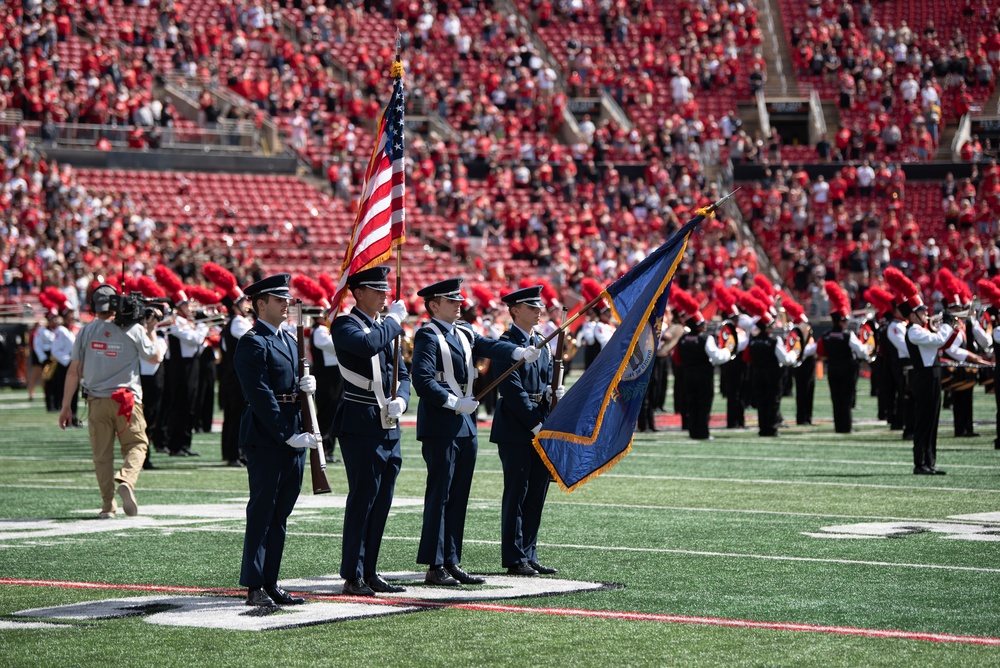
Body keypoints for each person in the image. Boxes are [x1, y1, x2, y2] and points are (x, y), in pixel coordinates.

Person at [411, 278, 529, 586]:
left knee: (459, 494)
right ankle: (435, 564)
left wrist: (516, 352)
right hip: (441, 421)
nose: (458, 304)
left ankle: (451, 559)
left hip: (465, 423)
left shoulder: (463, 331)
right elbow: (422, 380)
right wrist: (452, 402)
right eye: (450, 301)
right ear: (434, 305)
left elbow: (488, 345)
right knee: (440, 493)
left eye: (458, 300)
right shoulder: (427, 335)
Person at [233, 273, 319, 607]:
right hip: (268, 437)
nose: (286, 304)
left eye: (286, 299)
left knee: (280, 513)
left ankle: (271, 580)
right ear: (260, 304)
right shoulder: (252, 341)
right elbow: (261, 396)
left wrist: (307, 387)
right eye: (278, 299)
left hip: (294, 431)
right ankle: (254, 585)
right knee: (262, 511)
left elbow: (288, 386)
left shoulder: (287, 339)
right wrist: (287, 435)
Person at [330, 266, 411, 596]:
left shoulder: (384, 328)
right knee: (363, 499)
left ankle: (372, 569)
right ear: (358, 293)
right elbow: (365, 347)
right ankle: (353, 573)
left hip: (388, 426)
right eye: (377, 290)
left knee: (382, 501)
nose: (385, 295)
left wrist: (402, 402)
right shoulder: (344, 325)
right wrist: (393, 322)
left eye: (385, 290)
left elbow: (402, 375)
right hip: (361, 422)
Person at [57, 284, 162, 518]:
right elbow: (155, 357)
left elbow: (74, 372)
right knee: (137, 445)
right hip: (126, 401)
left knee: (102, 456)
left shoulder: (85, 331)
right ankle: (126, 479)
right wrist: (151, 329)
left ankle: (107, 505)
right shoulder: (134, 329)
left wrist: (66, 406)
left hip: (96, 400)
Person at [488, 285, 555, 576]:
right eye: (531, 307)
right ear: (515, 311)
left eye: (538, 306)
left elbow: (548, 378)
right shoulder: (505, 344)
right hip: (517, 425)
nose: (538, 310)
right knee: (518, 491)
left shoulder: (543, 342)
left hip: (540, 420)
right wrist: (535, 423)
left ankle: (530, 552)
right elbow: (511, 390)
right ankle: (515, 558)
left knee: (538, 490)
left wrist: (554, 393)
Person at [674, 290, 732, 440]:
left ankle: (693, 431)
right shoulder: (706, 339)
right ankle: (702, 432)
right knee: (704, 404)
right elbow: (717, 357)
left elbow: (677, 358)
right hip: (704, 375)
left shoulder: (683, 339)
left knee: (691, 404)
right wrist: (727, 350)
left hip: (687, 374)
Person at [905, 301, 951, 475]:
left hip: (932, 374)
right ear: (911, 315)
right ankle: (920, 462)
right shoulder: (913, 331)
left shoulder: (922, 329)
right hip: (924, 377)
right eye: (921, 312)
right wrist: (946, 324)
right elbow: (939, 340)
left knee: (932, 419)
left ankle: (929, 461)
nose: (926, 314)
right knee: (924, 420)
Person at [816, 282, 868, 434]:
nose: (847, 323)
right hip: (847, 368)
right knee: (846, 399)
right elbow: (861, 351)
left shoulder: (825, 336)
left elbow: (820, 353)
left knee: (836, 399)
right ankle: (847, 427)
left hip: (832, 368)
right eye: (845, 320)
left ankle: (838, 426)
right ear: (839, 321)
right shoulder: (848, 335)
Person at [745, 299, 797, 436]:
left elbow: (748, 358)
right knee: (773, 401)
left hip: (757, 373)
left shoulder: (753, 341)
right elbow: (785, 359)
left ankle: (763, 428)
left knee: (761, 402)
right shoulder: (774, 341)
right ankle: (772, 428)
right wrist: (794, 353)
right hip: (772, 375)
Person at [164, 292, 208, 457]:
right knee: (180, 405)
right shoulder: (176, 322)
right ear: (178, 307)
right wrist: (203, 324)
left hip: (192, 364)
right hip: (181, 366)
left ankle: (184, 444)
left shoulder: (187, 322)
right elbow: (194, 339)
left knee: (190, 406)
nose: (189, 308)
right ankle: (175, 445)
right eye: (185, 305)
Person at [219, 293, 253, 466]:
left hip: (232, 373)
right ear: (234, 305)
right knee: (237, 414)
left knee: (234, 414)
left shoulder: (233, 321)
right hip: (236, 374)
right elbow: (254, 338)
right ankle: (234, 454)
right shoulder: (239, 322)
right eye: (241, 302)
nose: (246, 306)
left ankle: (231, 453)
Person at [310, 308, 344, 462]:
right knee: (327, 413)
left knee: (333, 412)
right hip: (326, 375)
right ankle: (323, 448)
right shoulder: (320, 331)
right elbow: (332, 345)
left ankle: (328, 449)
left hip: (334, 374)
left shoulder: (324, 330)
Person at [139, 304, 169, 469]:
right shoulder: (138, 334)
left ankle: (146, 455)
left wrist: (151, 328)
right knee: (139, 421)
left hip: (154, 381)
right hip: (139, 380)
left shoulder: (159, 336)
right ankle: (141, 456)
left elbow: (155, 356)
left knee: (151, 420)